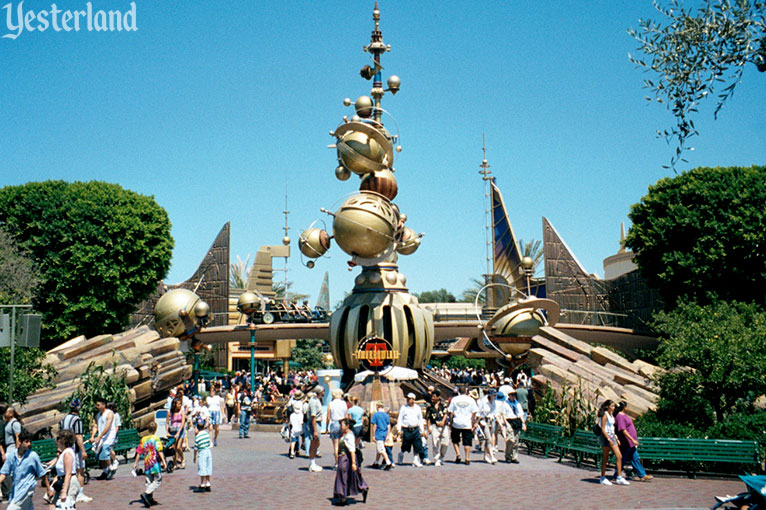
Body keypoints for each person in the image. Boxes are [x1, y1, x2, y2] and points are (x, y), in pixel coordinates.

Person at [0, 429, 46, 510]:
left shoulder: (33, 456)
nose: (29, 444)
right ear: (20, 441)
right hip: (16, 490)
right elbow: (4, 472)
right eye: (26, 441)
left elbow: (42, 473)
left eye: (30, 442)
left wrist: (48, 489)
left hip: (27, 489)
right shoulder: (12, 456)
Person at [58, 399, 92, 503]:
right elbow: (78, 436)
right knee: (80, 470)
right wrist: (83, 450)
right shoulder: (77, 420)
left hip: (65, 449)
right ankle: (80, 494)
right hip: (75, 450)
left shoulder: (63, 420)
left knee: (67, 472)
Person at [332, 418, 368, 507]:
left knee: (345, 476)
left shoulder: (349, 435)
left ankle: (344, 497)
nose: (341, 426)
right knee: (351, 477)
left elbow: (352, 450)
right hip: (343, 458)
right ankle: (362, 489)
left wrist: (353, 463)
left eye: (342, 424)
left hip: (346, 459)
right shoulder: (344, 434)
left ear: (347, 426)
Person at [614, 401, 653, 482]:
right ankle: (617, 475)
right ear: (624, 407)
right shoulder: (620, 416)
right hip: (627, 442)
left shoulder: (623, 415)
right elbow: (623, 430)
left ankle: (642, 475)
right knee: (623, 459)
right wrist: (632, 439)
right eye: (627, 406)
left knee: (635, 458)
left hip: (630, 443)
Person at [132, 421, 167, 508]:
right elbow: (159, 450)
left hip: (147, 463)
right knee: (158, 479)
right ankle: (146, 493)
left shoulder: (144, 439)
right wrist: (163, 461)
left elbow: (139, 451)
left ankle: (149, 499)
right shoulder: (156, 438)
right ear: (156, 429)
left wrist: (135, 463)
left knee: (149, 481)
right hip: (154, 462)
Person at [597, 399, 629, 485]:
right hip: (606, 437)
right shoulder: (605, 415)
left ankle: (619, 477)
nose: (614, 408)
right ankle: (603, 477)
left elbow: (612, 428)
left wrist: (616, 438)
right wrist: (608, 439)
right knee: (606, 457)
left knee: (619, 456)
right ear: (607, 406)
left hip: (612, 436)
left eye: (614, 406)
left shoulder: (611, 415)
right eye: (612, 406)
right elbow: (603, 428)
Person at [47, 430, 80, 510]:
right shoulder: (64, 453)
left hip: (69, 483)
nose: (56, 441)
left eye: (58, 438)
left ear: (63, 441)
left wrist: (64, 491)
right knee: (53, 505)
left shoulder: (67, 453)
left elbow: (68, 474)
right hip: (62, 481)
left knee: (65, 506)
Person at [447, 386, 478, 465]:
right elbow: (474, 412)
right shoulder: (471, 400)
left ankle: (458, 454)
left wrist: (451, 421)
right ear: (466, 391)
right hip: (467, 423)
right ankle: (467, 458)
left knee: (455, 440)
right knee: (467, 442)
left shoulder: (454, 399)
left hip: (456, 422)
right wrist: (473, 421)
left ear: (458, 392)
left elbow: (450, 411)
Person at [396, 393, 425, 468]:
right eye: (407, 398)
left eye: (410, 399)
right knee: (405, 445)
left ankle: (415, 460)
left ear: (413, 400)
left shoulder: (417, 408)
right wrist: (399, 429)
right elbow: (400, 419)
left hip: (415, 429)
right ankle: (401, 454)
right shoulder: (404, 407)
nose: (408, 400)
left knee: (417, 445)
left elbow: (420, 419)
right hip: (407, 429)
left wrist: (422, 430)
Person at [91, 397, 116, 480]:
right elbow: (96, 426)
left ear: (103, 405)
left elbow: (108, 426)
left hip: (109, 436)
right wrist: (92, 436)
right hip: (101, 437)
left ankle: (111, 468)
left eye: (98, 405)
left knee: (105, 451)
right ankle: (105, 471)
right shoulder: (98, 415)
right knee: (99, 455)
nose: (96, 406)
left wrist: (100, 435)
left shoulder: (109, 413)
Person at [425, 392, 449, 467]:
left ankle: (442, 456)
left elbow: (446, 414)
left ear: (438, 397)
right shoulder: (429, 407)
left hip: (443, 426)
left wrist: (443, 421)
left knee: (445, 442)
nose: (432, 398)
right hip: (434, 426)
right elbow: (428, 418)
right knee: (435, 443)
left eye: (434, 396)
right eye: (432, 397)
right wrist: (429, 427)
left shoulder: (443, 405)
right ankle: (436, 459)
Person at [503, 388, 526, 464]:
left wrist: (523, 423)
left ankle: (514, 457)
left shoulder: (517, 404)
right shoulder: (505, 404)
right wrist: (505, 423)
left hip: (517, 421)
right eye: (511, 395)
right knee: (511, 440)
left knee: (516, 441)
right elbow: (503, 414)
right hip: (509, 421)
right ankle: (508, 456)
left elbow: (521, 414)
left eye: (514, 395)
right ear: (509, 395)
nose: (513, 396)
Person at [477, 389, 501, 464]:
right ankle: (492, 456)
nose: (495, 396)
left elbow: (494, 412)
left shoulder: (494, 402)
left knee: (488, 439)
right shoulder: (483, 401)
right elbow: (479, 412)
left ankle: (485, 456)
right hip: (483, 421)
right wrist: (477, 423)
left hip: (491, 421)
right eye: (493, 395)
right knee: (489, 439)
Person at [326, 389, 347, 469]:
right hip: (342, 423)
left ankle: (337, 463)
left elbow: (328, 417)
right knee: (343, 445)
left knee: (335, 445)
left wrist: (327, 427)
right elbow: (346, 415)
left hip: (334, 423)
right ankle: (343, 462)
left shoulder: (331, 404)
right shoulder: (344, 403)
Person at [369, 402, 392, 470]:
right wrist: (388, 435)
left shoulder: (375, 415)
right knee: (379, 448)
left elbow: (374, 425)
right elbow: (388, 425)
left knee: (381, 449)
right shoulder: (386, 415)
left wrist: (373, 435)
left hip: (379, 433)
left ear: (377, 407)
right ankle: (376, 462)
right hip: (384, 433)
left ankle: (388, 462)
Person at [307, 387, 325, 473]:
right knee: (314, 443)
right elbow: (313, 417)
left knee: (317, 443)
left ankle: (313, 462)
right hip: (315, 424)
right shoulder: (314, 402)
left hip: (318, 423)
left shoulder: (317, 400)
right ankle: (312, 462)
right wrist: (315, 430)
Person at [193, 420, 212, 492]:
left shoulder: (197, 437)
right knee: (208, 467)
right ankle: (208, 483)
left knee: (202, 467)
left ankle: (202, 484)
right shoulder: (207, 434)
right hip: (208, 451)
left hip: (202, 452)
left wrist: (194, 457)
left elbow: (195, 448)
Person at [167, 398, 186, 469]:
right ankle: (175, 463)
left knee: (178, 447)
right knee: (173, 447)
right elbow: (166, 423)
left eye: (180, 404)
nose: (180, 405)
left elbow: (183, 422)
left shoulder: (181, 411)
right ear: (174, 404)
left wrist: (178, 432)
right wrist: (166, 431)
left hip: (180, 431)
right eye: (178, 404)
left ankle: (182, 459)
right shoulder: (170, 412)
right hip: (172, 430)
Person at [287, 391, 305, 459]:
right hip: (300, 428)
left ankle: (292, 452)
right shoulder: (301, 406)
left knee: (293, 440)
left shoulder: (291, 403)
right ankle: (303, 444)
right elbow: (302, 423)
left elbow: (290, 423)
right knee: (303, 434)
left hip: (294, 429)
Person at [106, 403, 121, 476]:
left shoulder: (116, 415)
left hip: (113, 435)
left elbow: (117, 426)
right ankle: (108, 466)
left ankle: (115, 460)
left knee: (109, 448)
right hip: (107, 435)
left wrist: (113, 434)